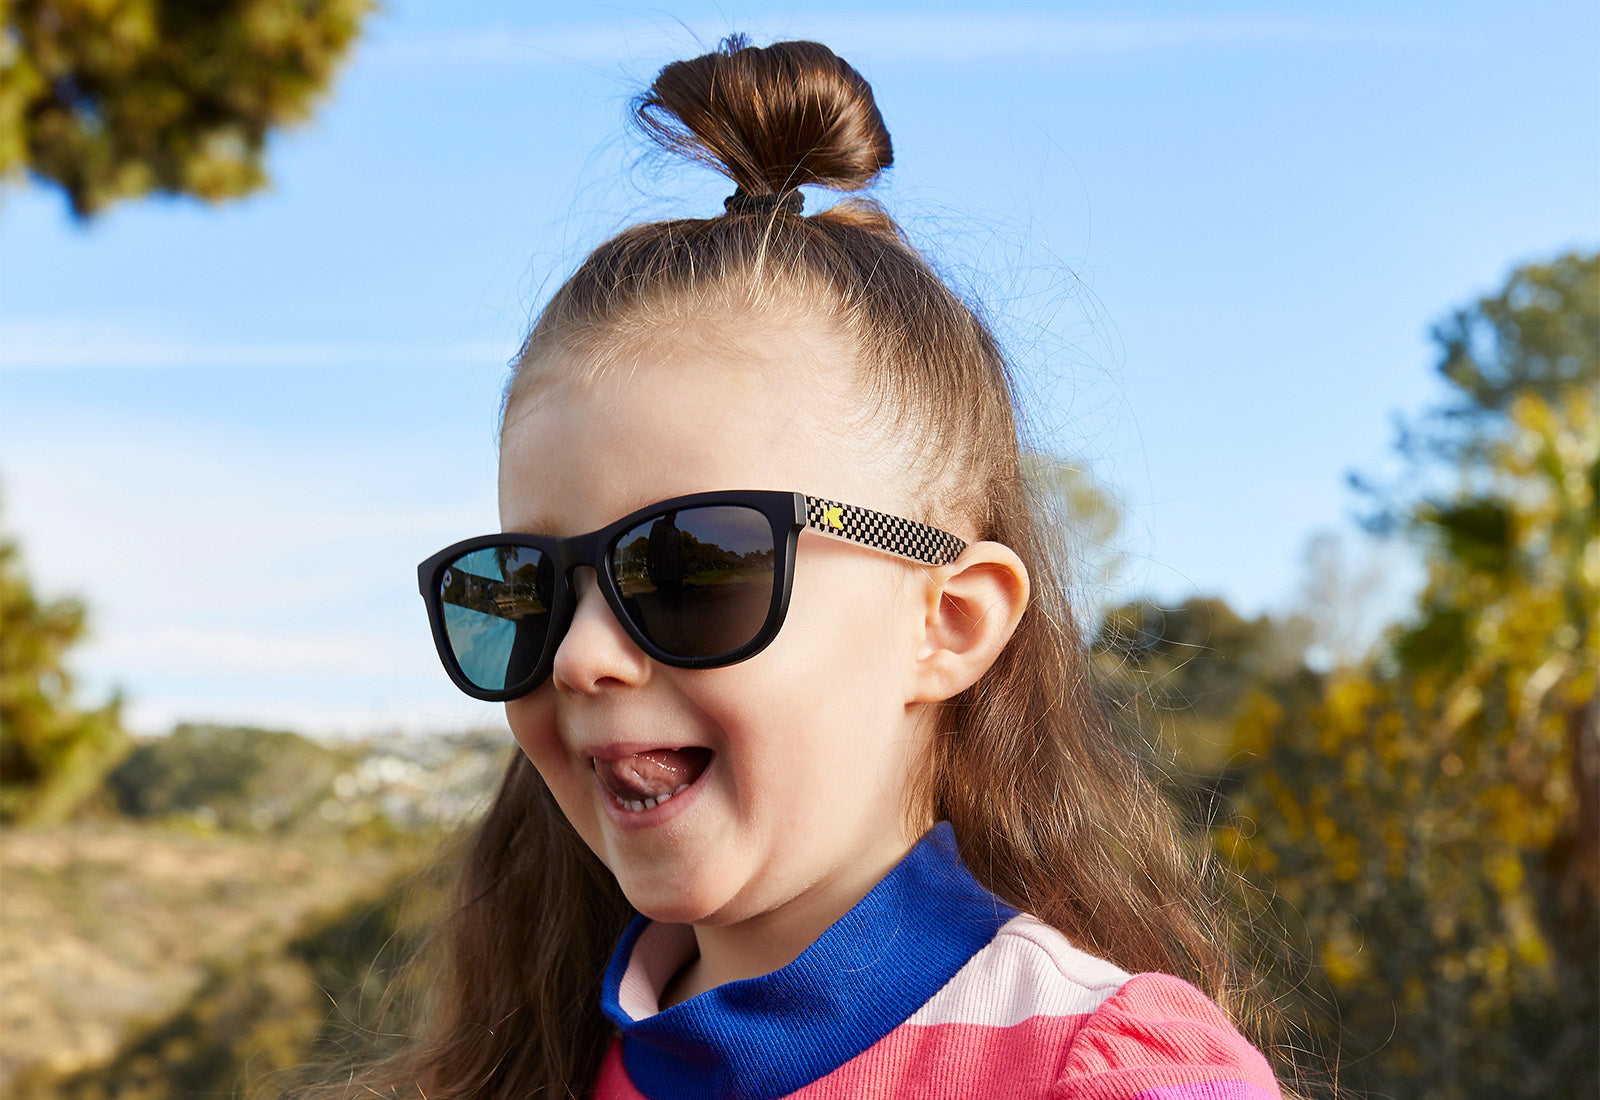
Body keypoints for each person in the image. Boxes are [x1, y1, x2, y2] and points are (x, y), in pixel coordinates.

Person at [394, 36, 1286, 1100]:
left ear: (947, 619)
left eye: (687, 568)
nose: (582, 654)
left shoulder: (1092, 1074)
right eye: (527, 588)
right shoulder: (541, 1065)